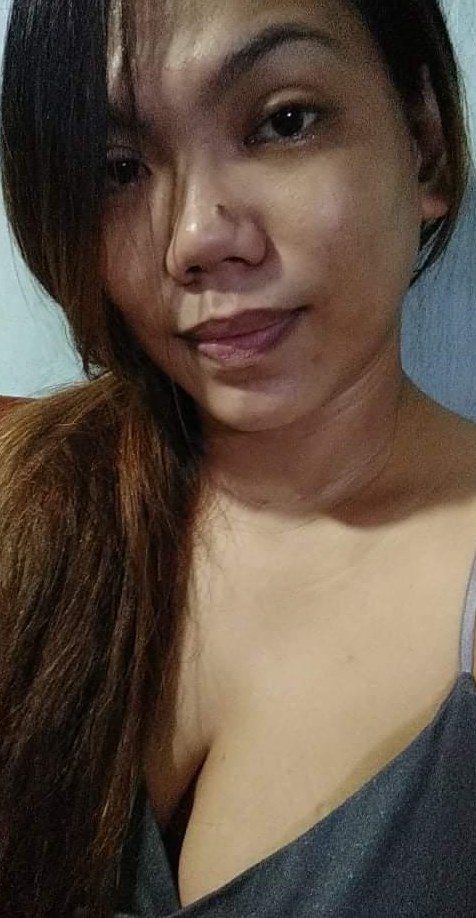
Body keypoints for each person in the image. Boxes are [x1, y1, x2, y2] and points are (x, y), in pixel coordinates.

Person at [1, 0, 476, 914]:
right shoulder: (35, 497)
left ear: (424, 144)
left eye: (284, 122)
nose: (196, 239)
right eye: (117, 168)